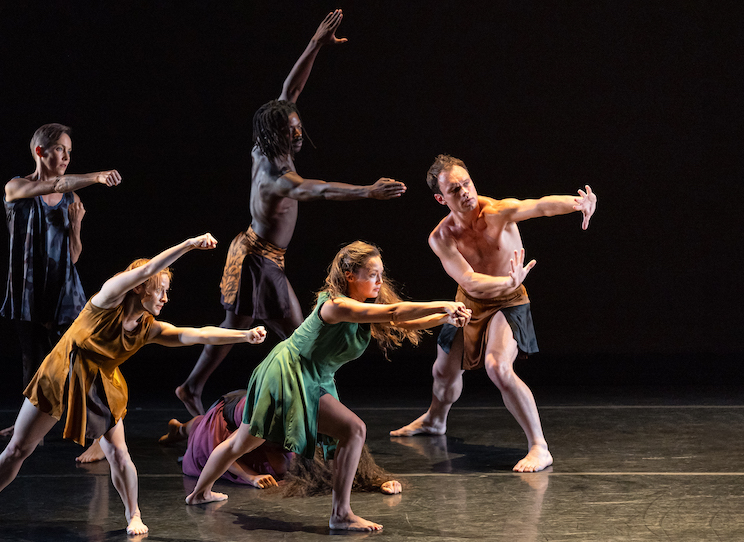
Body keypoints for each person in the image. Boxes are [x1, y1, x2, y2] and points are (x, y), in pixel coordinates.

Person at [0, 234, 268, 535]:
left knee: (119, 454)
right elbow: (146, 269)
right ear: (139, 288)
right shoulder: (107, 299)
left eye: (167, 292)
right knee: (19, 448)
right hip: (61, 373)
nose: (165, 298)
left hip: (100, 385)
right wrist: (189, 245)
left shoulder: (149, 328)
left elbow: (196, 334)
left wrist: (243, 336)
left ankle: (134, 513)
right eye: (160, 290)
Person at [176, 10, 407, 417]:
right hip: (260, 261)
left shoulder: (269, 139)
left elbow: (291, 88)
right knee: (303, 334)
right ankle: (316, 408)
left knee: (235, 326)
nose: (298, 133)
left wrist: (316, 43)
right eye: (292, 130)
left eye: (299, 126)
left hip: (258, 254)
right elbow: (319, 190)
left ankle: (192, 388)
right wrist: (369, 191)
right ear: (275, 134)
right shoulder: (277, 177)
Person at [186, 241, 470, 532]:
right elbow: (396, 312)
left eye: (381, 274)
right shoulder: (335, 306)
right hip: (290, 371)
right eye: (373, 275)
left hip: (314, 375)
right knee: (343, 430)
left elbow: (399, 321)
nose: (379, 281)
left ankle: (199, 493)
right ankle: (340, 514)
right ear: (350, 275)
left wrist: (446, 318)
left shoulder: (363, 306)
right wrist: (444, 304)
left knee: (248, 441)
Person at [390, 154, 597, 473]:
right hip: (468, 301)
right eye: (454, 189)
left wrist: (577, 203)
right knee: (443, 371)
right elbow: (469, 280)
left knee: (497, 366)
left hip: (509, 300)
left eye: (466, 183)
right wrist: (505, 278)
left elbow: (540, 205)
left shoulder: (498, 211)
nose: (465, 192)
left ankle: (539, 446)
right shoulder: (441, 237)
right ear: (440, 198)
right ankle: (435, 419)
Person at [0, 122, 122, 441]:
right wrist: (96, 176)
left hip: (65, 292)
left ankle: (99, 436)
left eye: (69, 151)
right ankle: (25, 430)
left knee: (84, 362)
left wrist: (77, 226)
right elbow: (54, 184)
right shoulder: (16, 187)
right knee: (33, 363)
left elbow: (74, 256)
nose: (66, 156)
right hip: (30, 292)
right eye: (59, 150)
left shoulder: (70, 198)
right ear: (40, 151)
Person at [162, 389, 402, 495]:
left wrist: (376, 482)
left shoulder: (308, 430)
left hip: (255, 416)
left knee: (283, 465)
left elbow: (340, 458)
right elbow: (225, 450)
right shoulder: (266, 423)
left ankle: (180, 429)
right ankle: (181, 429)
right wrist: (250, 476)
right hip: (231, 416)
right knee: (202, 432)